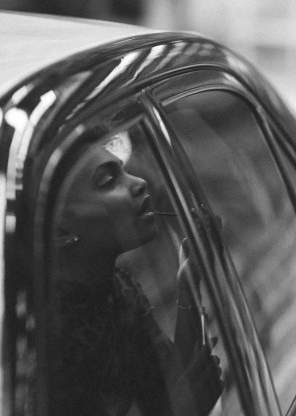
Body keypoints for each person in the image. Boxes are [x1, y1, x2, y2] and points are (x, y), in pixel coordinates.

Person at [48, 132, 223, 416]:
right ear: (59, 232)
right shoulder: (50, 340)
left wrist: (189, 282)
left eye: (125, 171)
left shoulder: (118, 288)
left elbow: (168, 385)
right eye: (107, 181)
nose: (138, 183)